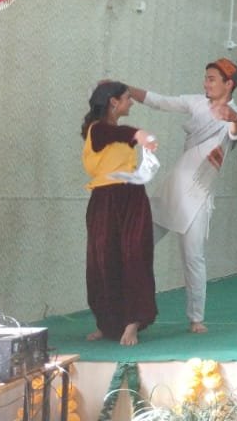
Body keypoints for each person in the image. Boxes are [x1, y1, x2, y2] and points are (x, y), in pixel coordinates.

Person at [125, 58, 237, 334]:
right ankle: (127, 311)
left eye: (212, 79)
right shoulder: (196, 102)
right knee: (137, 244)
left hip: (199, 194)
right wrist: (127, 88)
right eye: (206, 78)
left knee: (193, 257)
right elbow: (160, 101)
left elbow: (236, 133)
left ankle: (196, 317)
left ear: (229, 84)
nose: (206, 83)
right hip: (174, 187)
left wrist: (233, 119)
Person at [80, 81, 159, 346]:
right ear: (113, 102)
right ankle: (107, 322)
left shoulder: (116, 131)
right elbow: (115, 134)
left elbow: (122, 136)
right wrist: (138, 134)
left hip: (132, 198)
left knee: (135, 254)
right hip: (105, 199)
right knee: (103, 259)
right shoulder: (98, 129)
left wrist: (139, 139)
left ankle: (132, 322)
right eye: (127, 98)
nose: (131, 102)